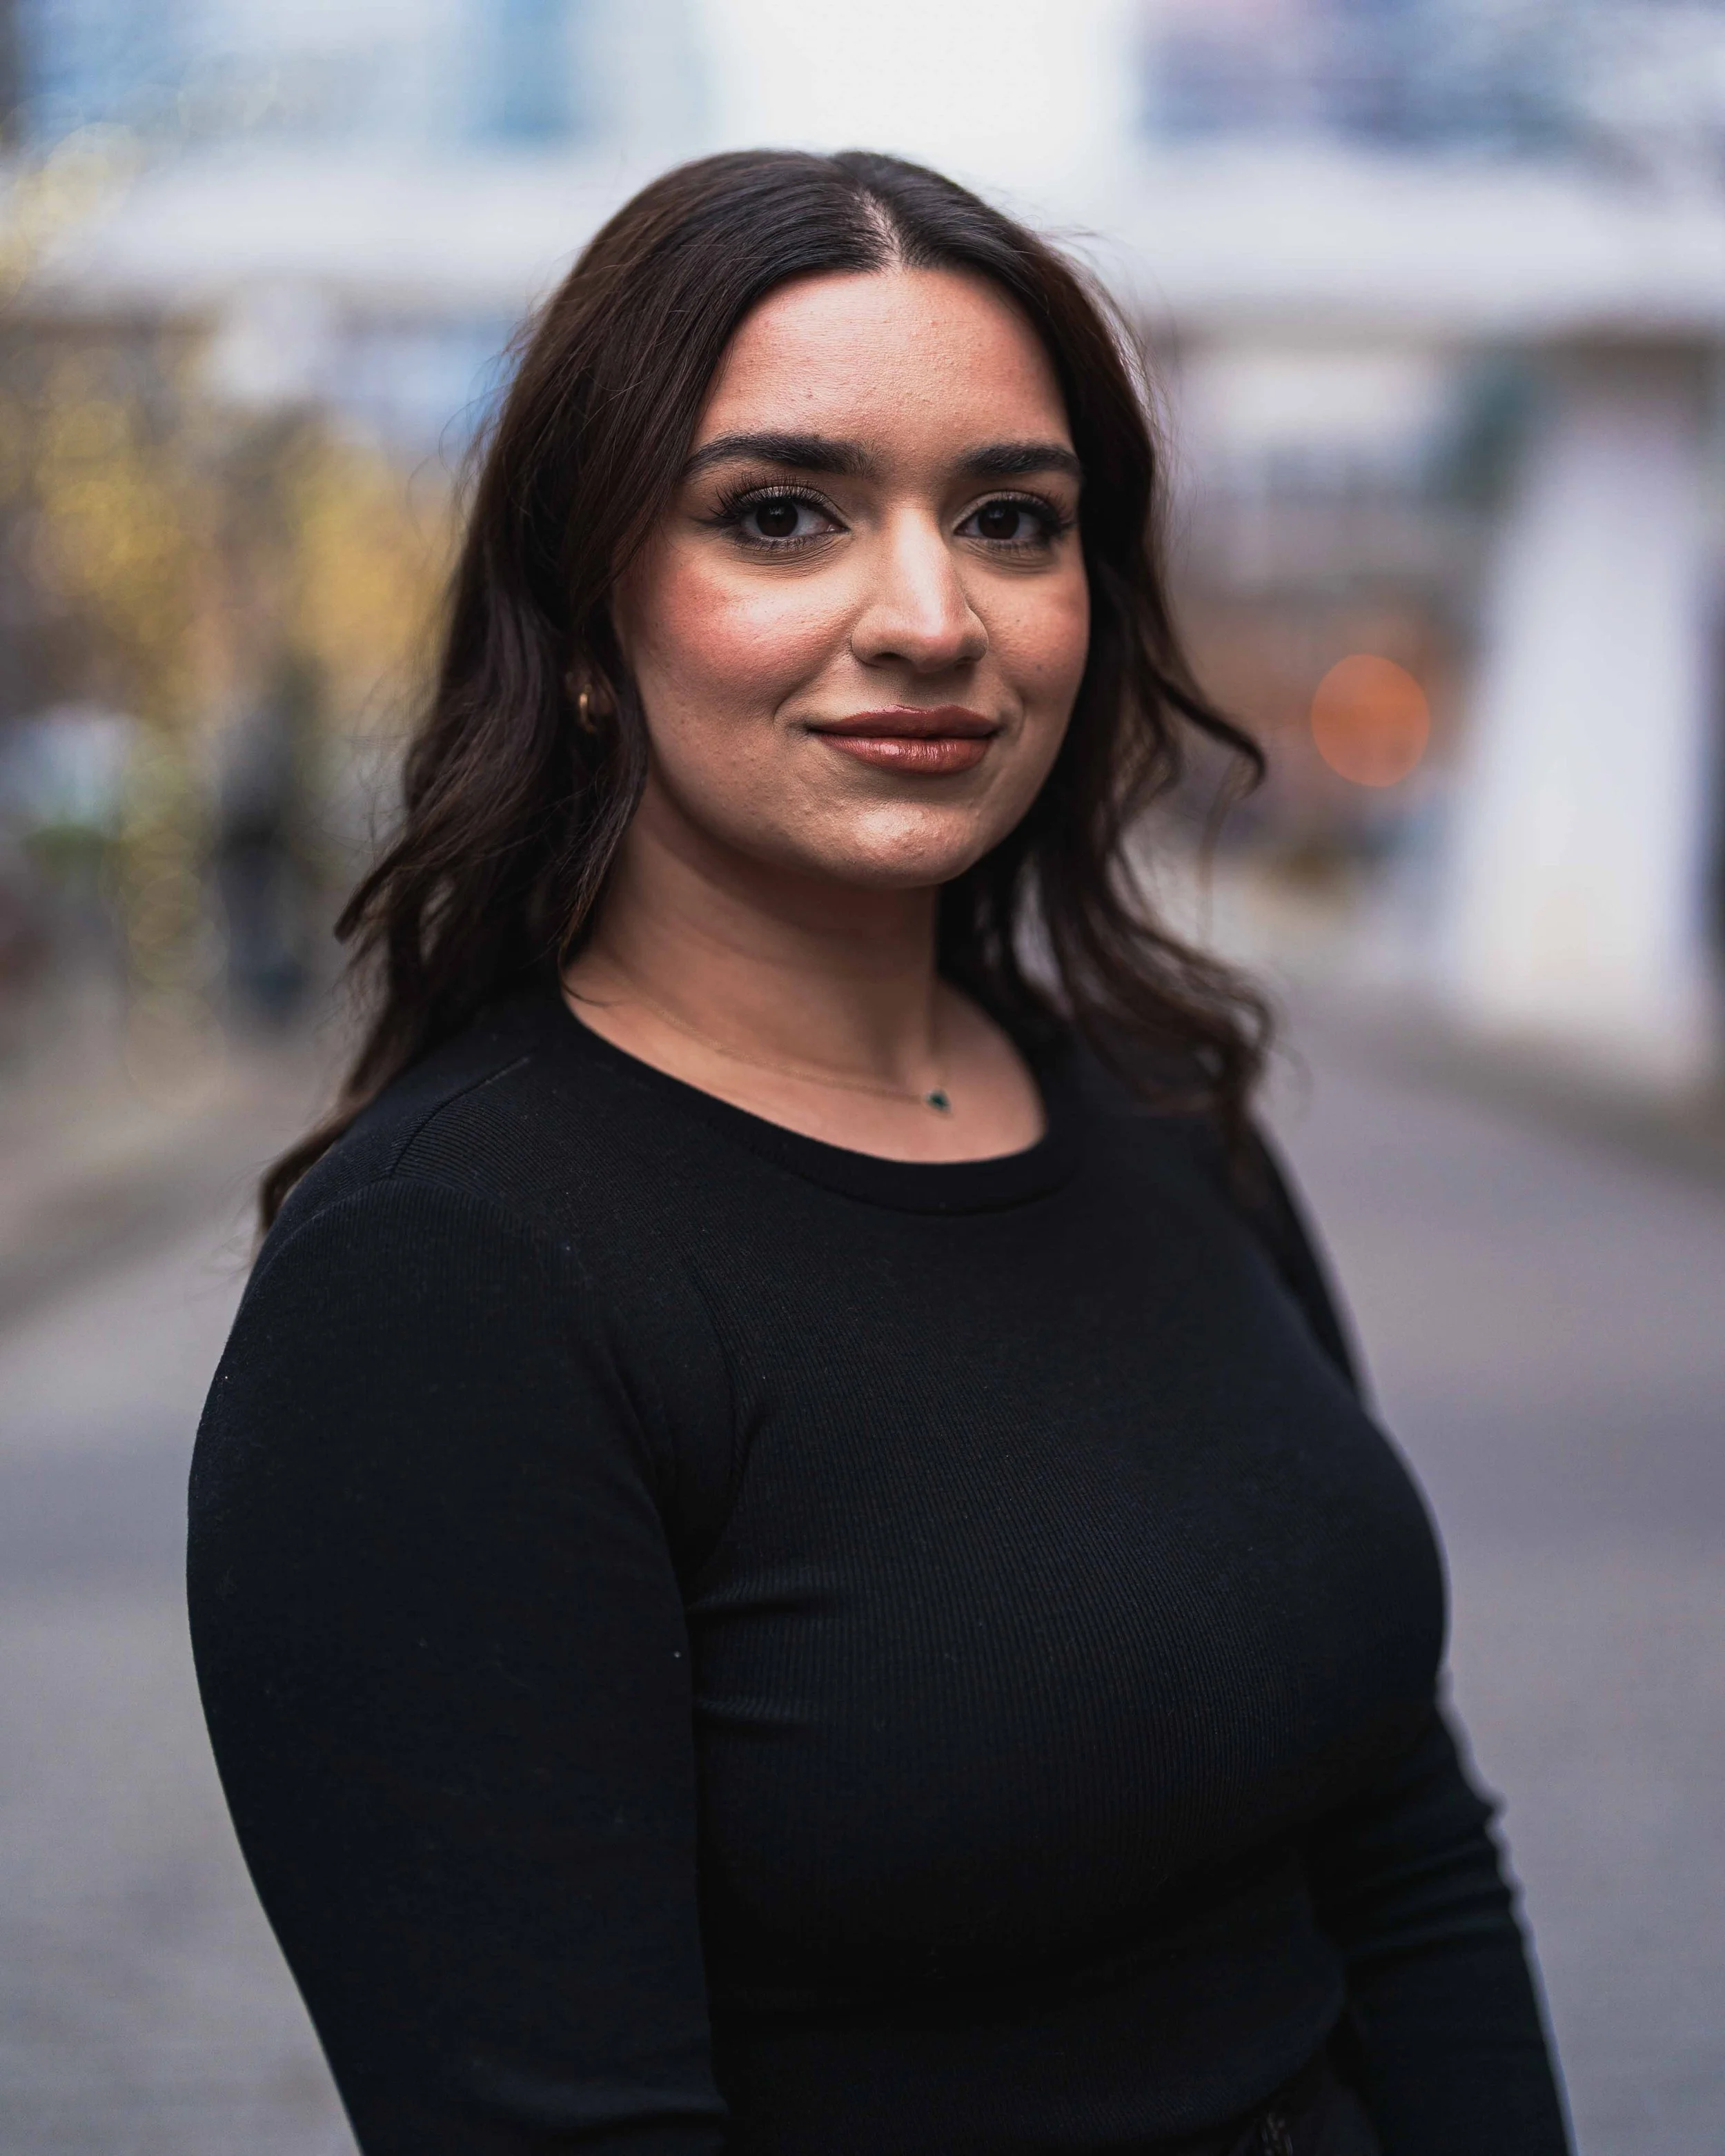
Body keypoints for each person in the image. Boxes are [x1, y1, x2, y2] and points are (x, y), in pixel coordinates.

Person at [188, 150, 1571, 2156]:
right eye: (779, 515)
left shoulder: (1165, 1112)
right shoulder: (448, 1282)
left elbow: (1403, 1844)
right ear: (586, 619)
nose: (929, 616)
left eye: (1012, 518)